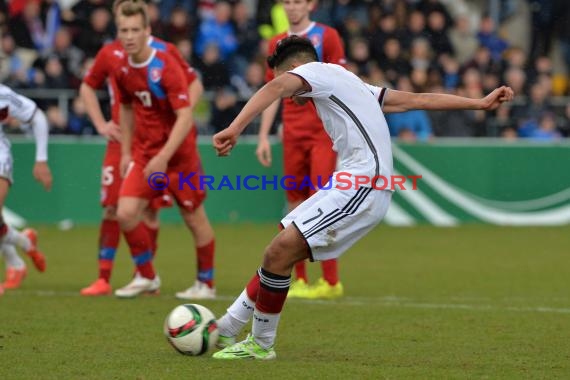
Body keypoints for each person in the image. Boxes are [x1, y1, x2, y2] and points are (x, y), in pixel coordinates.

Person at [212, 36, 514, 359]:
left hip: (363, 183)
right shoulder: (351, 84)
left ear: (297, 69)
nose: (284, 92)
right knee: (279, 251)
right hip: (351, 182)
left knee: (279, 250)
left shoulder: (316, 71)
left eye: (282, 76)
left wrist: (235, 127)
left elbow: (275, 89)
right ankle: (227, 327)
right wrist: (478, 103)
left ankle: (261, 344)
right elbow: (416, 99)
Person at [79, 0, 216, 299]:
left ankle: (206, 282)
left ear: (147, 30)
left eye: (134, 30)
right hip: (144, 152)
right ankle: (146, 276)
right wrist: (127, 152)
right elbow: (126, 109)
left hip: (178, 156)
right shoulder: (119, 66)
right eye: (123, 29)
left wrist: (166, 152)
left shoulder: (165, 61)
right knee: (125, 212)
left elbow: (187, 110)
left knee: (193, 217)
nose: (128, 36)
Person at [256, 0, 346, 300]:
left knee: (322, 202)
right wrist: (264, 135)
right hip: (291, 134)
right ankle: (300, 280)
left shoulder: (327, 36)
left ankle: (331, 281)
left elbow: (340, 82)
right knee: (295, 203)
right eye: (288, 2)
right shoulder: (276, 42)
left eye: (298, 1)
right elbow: (272, 91)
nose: (292, 7)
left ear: (310, 4)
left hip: (322, 133)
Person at [0, 84, 51, 290]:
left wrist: (41, 160)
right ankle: (23, 246)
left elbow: (37, 117)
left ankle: (16, 260)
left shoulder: (3, 94)